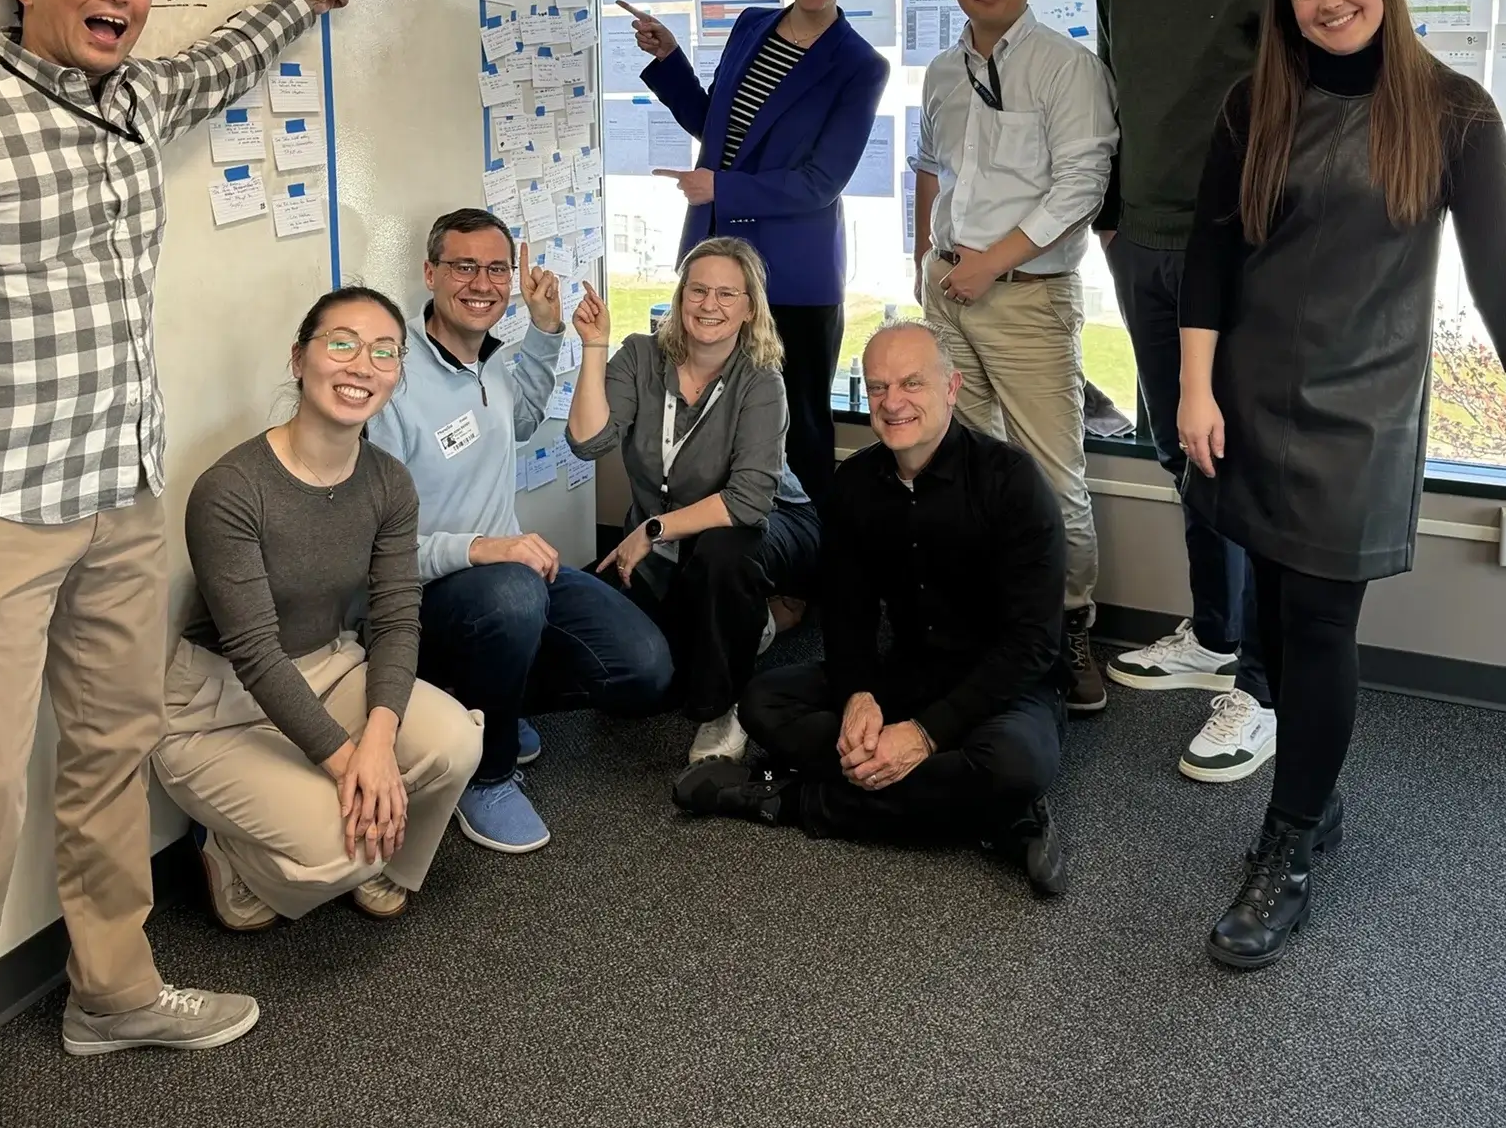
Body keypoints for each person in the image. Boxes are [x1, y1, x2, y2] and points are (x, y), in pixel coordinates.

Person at [0, 0, 354, 1114]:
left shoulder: (135, 98)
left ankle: (111, 993)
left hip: (121, 490)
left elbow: (220, 58)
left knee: (113, 749)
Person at [1177, 0, 1506, 968]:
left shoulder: (1454, 112)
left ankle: (1288, 843)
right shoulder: (1258, 105)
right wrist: (1196, 390)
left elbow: (1503, 277)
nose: (1329, 1)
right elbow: (1209, 257)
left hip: (1368, 412)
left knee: (1323, 624)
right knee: (1279, 625)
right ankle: (1316, 800)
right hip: (1249, 397)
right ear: (1285, 11)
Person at [675, 322, 1070, 897]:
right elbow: (848, 611)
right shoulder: (856, 482)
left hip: (1006, 684)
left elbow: (1034, 644)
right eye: (879, 387)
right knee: (763, 701)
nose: (893, 402)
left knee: (1016, 765)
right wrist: (860, 693)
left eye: (912, 383)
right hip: (908, 671)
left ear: (952, 387)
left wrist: (925, 736)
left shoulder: (1012, 482)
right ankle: (995, 818)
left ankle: (789, 799)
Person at [153, 289, 482, 931]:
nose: (362, 365)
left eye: (384, 352)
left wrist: (379, 743)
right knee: (340, 847)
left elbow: (394, 618)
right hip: (218, 708)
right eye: (342, 344)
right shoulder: (231, 488)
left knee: (456, 744)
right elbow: (253, 651)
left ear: (396, 376)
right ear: (300, 359)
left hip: (330, 668)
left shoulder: (389, 481)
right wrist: (347, 760)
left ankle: (377, 850)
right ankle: (233, 854)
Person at [368, 209, 673, 855]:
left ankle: (483, 705)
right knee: (511, 596)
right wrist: (482, 550)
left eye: (496, 269)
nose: (481, 282)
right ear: (430, 273)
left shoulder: (493, 363)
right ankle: (486, 773)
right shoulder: (391, 378)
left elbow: (527, 415)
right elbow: (377, 550)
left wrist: (546, 330)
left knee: (642, 669)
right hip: (425, 588)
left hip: (507, 576)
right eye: (463, 266)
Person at [1094, 0, 1281, 783]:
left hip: (1235, 253)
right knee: (1178, 446)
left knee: (1236, 459)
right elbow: (1124, 103)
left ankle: (1256, 684)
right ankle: (1212, 631)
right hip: (1143, 246)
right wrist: (1114, 221)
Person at [913, 0, 1116, 718]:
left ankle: (1068, 627)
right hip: (947, 292)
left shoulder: (1066, 68)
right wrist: (924, 268)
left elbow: (1082, 186)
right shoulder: (939, 69)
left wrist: (989, 264)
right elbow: (928, 168)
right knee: (958, 468)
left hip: (1025, 298)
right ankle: (989, 623)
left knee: (1050, 477)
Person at [626, 0, 889, 508]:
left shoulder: (859, 65)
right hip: (716, 258)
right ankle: (716, 554)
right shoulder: (751, 25)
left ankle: (807, 575)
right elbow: (711, 123)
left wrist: (723, 188)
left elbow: (821, 181)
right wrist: (668, 58)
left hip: (792, 277)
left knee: (796, 425)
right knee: (707, 416)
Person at [566, 238, 822, 766]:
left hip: (770, 526)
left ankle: (723, 706)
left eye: (728, 294)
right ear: (681, 298)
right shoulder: (639, 355)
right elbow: (588, 443)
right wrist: (595, 346)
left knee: (723, 555)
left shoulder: (761, 380)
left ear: (751, 307)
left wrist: (653, 529)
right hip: (669, 538)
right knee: (630, 668)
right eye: (698, 290)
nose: (710, 305)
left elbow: (750, 502)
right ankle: (754, 623)